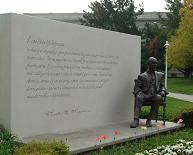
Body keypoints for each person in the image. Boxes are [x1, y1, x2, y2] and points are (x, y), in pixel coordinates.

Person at [130, 57, 167, 128]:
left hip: (154, 95)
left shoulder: (160, 75)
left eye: (156, 63)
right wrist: (139, 92)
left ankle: (149, 120)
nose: (155, 65)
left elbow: (163, 86)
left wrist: (162, 90)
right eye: (153, 63)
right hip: (144, 94)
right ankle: (136, 120)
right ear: (148, 64)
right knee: (138, 97)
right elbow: (136, 87)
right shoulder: (142, 76)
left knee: (158, 98)